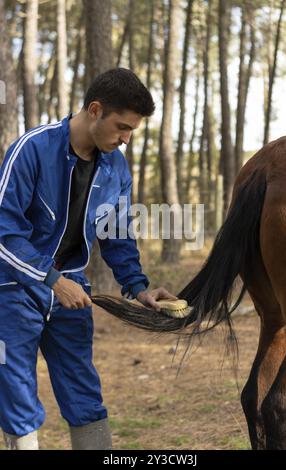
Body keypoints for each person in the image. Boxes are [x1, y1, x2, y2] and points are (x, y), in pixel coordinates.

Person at [0, 68, 177, 450]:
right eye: (122, 127)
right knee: (16, 392)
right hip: (13, 288)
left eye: (132, 130)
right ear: (95, 110)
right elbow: (4, 230)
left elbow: (117, 235)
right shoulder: (31, 148)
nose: (127, 139)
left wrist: (137, 287)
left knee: (84, 393)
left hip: (72, 289)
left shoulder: (116, 168)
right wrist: (51, 280)